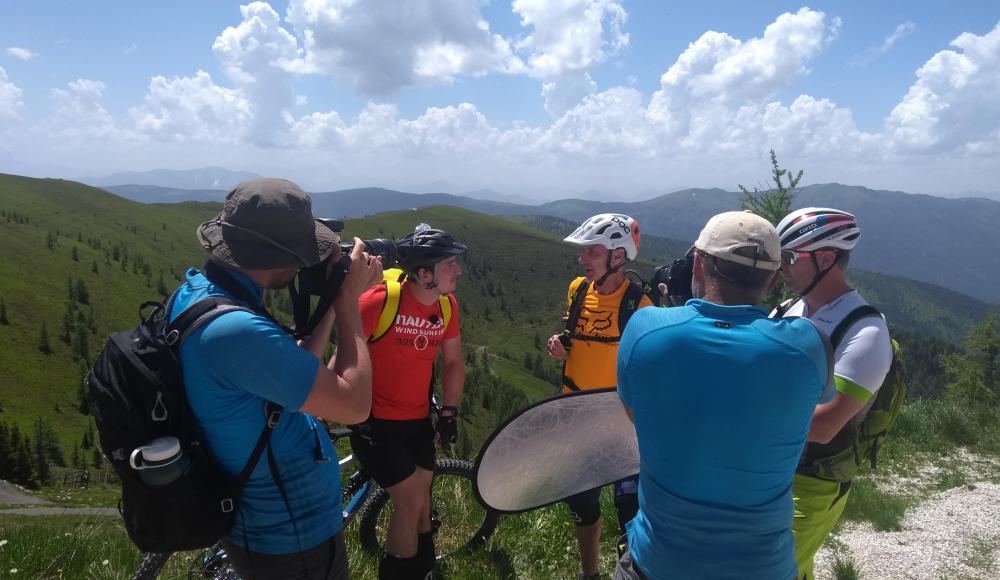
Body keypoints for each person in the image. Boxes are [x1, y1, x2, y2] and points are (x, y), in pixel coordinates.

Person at [172, 178, 382, 579]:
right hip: (289, 540)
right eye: (305, 252)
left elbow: (292, 368)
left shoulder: (204, 293)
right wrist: (349, 305)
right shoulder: (236, 332)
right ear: (281, 256)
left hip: (268, 528)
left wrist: (333, 304)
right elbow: (355, 406)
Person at [614, 211, 833, 580]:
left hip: (658, 561)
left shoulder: (644, 329)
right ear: (775, 278)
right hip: (763, 568)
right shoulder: (809, 345)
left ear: (698, 263)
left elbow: (637, 414)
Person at [774, 207, 893, 580]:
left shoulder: (866, 333)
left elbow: (825, 425)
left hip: (812, 480)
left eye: (789, 258)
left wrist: (735, 414)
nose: (782, 268)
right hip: (771, 467)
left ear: (826, 259)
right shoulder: (791, 308)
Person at [351, 223, 467, 580]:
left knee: (423, 502)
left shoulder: (446, 306)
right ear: (423, 273)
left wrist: (448, 411)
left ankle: (424, 569)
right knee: (410, 501)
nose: (458, 270)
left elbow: (453, 362)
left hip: (417, 420)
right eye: (449, 264)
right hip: (375, 423)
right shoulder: (379, 301)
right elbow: (344, 357)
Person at [545, 213, 653, 580]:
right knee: (582, 503)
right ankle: (589, 573)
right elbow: (573, 337)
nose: (583, 259)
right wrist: (562, 347)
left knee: (629, 507)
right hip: (577, 414)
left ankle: (631, 571)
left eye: (592, 252)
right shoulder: (578, 289)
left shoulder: (640, 306)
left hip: (620, 421)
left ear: (618, 256)